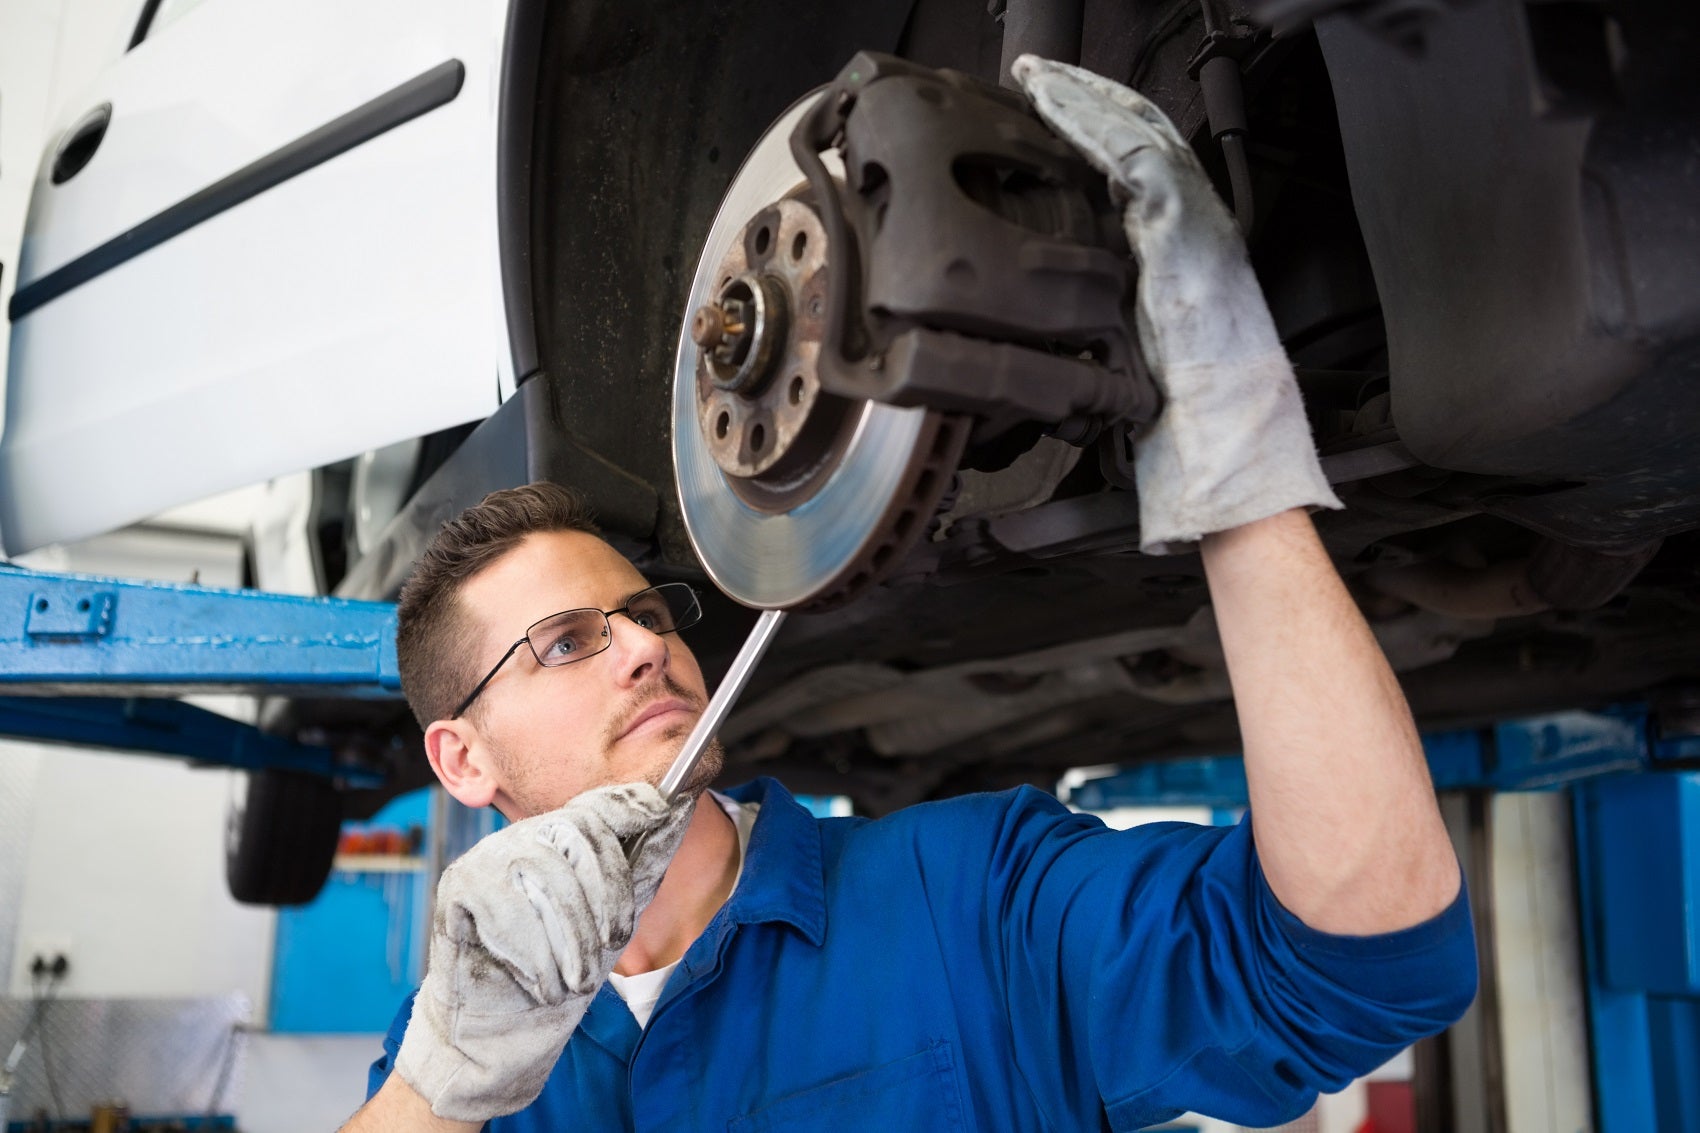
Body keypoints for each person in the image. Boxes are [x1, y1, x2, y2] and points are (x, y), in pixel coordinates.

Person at [343, 57, 1476, 1132]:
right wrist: (445, 1082)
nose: (645, 648)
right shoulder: (462, 1044)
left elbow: (1355, 967)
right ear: (461, 758)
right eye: (564, 643)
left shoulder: (968, 895)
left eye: (643, 614)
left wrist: (1236, 466)